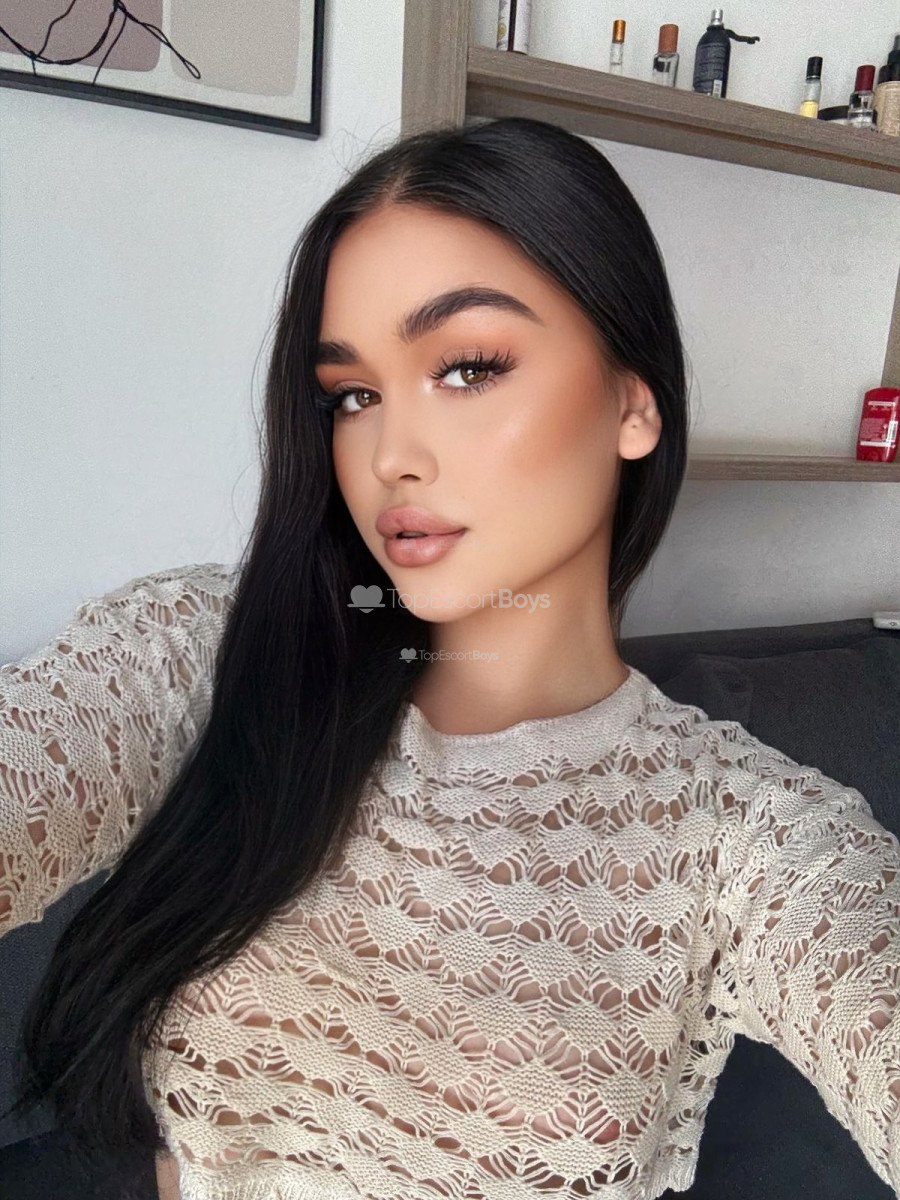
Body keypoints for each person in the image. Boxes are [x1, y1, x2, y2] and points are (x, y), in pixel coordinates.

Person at [1, 116, 898, 1200]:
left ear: (633, 401)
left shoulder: (749, 842)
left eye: (468, 368)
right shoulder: (210, 654)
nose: (391, 454)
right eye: (353, 394)